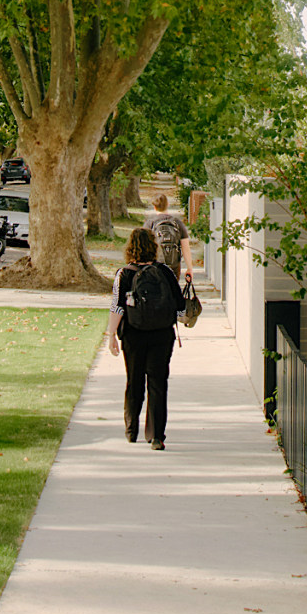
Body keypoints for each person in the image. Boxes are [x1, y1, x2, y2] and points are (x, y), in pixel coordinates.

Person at [107, 226, 184, 450]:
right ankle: (157, 435)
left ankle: (131, 430)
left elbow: (118, 307)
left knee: (134, 381)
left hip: (133, 335)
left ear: (130, 248)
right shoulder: (166, 272)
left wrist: (111, 335)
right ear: (154, 247)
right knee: (158, 383)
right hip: (162, 335)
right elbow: (179, 307)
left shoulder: (124, 274)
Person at [145, 192, 190, 281]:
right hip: (174, 265)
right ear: (167, 205)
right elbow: (185, 247)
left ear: (154, 207)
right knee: (173, 290)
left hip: (155, 265)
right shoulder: (177, 223)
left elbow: (144, 246)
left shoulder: (150, 224)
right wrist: (189, 268)